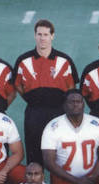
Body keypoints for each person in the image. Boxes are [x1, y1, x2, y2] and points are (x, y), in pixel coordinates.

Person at [13, 19, 78, 164]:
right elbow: (18, 86)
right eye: (39, 34)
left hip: (58, 112)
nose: (42, 38)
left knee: (61, 153)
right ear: (35, 36)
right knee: (34, 152)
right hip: (34, 112)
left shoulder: (64, 60)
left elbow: (71, 88)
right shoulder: (23, 60)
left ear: (52, 36)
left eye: (46, 35)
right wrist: (32, 99)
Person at [41, 89, 99, 184]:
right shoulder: (53, 126)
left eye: (79, 101)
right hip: (65, 178)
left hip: (92, 176)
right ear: (64, 105)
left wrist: (92, 177)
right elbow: (49, 162)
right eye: (71, 102)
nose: (75, 105)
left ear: (84, 104)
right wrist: (77, 181)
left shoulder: (97, 124)